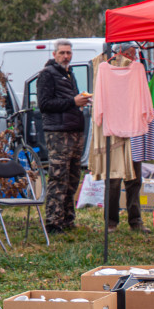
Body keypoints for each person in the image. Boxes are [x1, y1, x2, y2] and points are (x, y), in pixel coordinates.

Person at [37, 39, 91, 234]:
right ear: (54, 54)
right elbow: (44, 104)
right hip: (58, 133)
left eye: (68, 53)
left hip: (75, 130)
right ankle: (53, 222)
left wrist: (80, 102)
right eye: (62, 53)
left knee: (73, 176)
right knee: (58, 177)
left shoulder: (69, 74)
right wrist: (72, 101)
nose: (66, 56)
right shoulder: (47, 75)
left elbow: (69, 102)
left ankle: (68, 219)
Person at [105, 42, 149, 234]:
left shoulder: (137, 72)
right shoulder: (109, 72)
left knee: (135, 178)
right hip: (114, 131)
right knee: (114, 179)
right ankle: (111, 221)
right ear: (120, 54)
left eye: (134, 54)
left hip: (134, 131)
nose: (133, 58)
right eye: (130, 54)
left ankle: (135, 219)